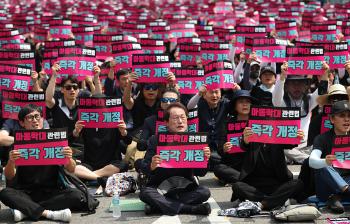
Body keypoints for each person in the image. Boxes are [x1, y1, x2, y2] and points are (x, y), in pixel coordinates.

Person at [0, 104, 83, 222]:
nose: (35, 120)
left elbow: (71, 169)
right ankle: (49, 214)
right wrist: (11, 161)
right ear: (22, 123)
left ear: (42, 119)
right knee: (5, 193)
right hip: (25, 192)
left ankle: (26, 210)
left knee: (76, 195)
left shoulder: (55, 140)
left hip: (51, 192)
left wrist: (68, 158)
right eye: (30, 117)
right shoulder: (17, 144)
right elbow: (9, 175)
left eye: (37, 117)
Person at [139, 103, 212, 215]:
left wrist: (205, 159)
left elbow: (201, 173)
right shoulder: (156, 140)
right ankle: (190, 209)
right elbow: (144, 167)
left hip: (185, 188)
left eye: (183, 117)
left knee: (204, 192)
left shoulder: (195, 140)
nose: (180, 121)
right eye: (175, 118)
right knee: (145, 193)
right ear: (166, 123)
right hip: (160, 188)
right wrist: (152, 166)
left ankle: (158, 207)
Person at [231, 126, 305, 210]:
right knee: (237, 186)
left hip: (277, 184)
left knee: (298, 183)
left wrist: (297, 137)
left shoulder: (278, 132)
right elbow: (244, 145)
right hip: (254, 185)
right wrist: (245, 140)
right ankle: (274, 201)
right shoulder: (252, 132)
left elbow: (290, 143)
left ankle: (263, 203)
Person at [272, 61, 329, 164]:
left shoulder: (309, 100)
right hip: (287, 146)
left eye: (300, 83)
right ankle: (308, 160)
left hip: (305, 147)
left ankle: (305, 159)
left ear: (306, 86)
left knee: (319, 148)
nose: (296, 87)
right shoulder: (281, 102)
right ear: (287, 86)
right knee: (280, 150)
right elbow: (276, 96)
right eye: (293, 83)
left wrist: (325, 73)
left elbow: (322, 92)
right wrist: (282, 77)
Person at [309, 100, 350, 213]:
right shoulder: (322, 138)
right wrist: (325, 161)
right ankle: (345, 191)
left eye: (349, 116)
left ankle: (337, 198)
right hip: (327, 186)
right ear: (332, 119)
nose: (347, 119)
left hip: (347, 179)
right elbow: (312, 161)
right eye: (342, 116)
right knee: (323, 167)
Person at [214, 90, 256, 185]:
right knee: (218, 168)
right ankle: (247, 180)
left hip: (252, 163)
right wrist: (224, 148)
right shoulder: (227, 124)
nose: (245, 105)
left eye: (247, 102)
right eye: (241, 102)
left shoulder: (258, 123)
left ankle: (240, 179)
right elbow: (220, 150)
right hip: (234, 164)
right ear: (235, 106)